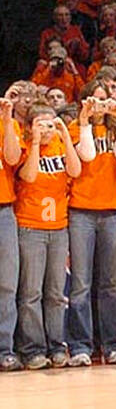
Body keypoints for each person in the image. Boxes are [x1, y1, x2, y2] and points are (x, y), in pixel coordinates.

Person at [15, 101, 83, 368]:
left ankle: (57, 345)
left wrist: (64, 134)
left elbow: (75, 171)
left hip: (58, 228)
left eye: (50, 123)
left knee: (55, 292)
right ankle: (33, 349)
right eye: (41, 124)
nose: (47, 129)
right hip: (30, 227)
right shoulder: (23, 147)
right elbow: (29, 176)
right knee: (31, 292)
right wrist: (34, 142)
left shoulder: (60, 146)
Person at [67, 80, 116, 366]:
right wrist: (83, 122)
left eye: (103, 100)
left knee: (110, 284)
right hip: (81, 210)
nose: (98, 105)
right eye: (92, 100)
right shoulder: (73, 128)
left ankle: (111, 344)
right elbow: (87, 155)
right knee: (81, 283)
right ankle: (81, 345)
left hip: (113, 210)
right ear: (83, 102)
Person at [0, 84, 24, 371]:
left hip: (5, 209)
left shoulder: (9, 124)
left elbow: (13, 157)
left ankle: (4, 348)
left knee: (6, 285)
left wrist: (6, 120)